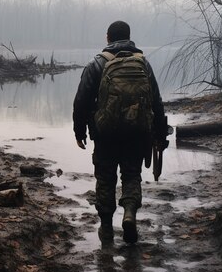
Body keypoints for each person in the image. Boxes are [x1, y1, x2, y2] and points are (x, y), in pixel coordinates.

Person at [72, 21, 167, 244]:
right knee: (132, 175)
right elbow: (156, 101)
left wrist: (79, 132)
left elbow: (81, 102)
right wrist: (160, 134)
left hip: (105, 134)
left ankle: (106, 228)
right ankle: (130, 214)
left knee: (105, 178)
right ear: (129, 37)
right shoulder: (143, 63)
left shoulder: (97, 64)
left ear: (108, 38)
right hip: (137, 132)